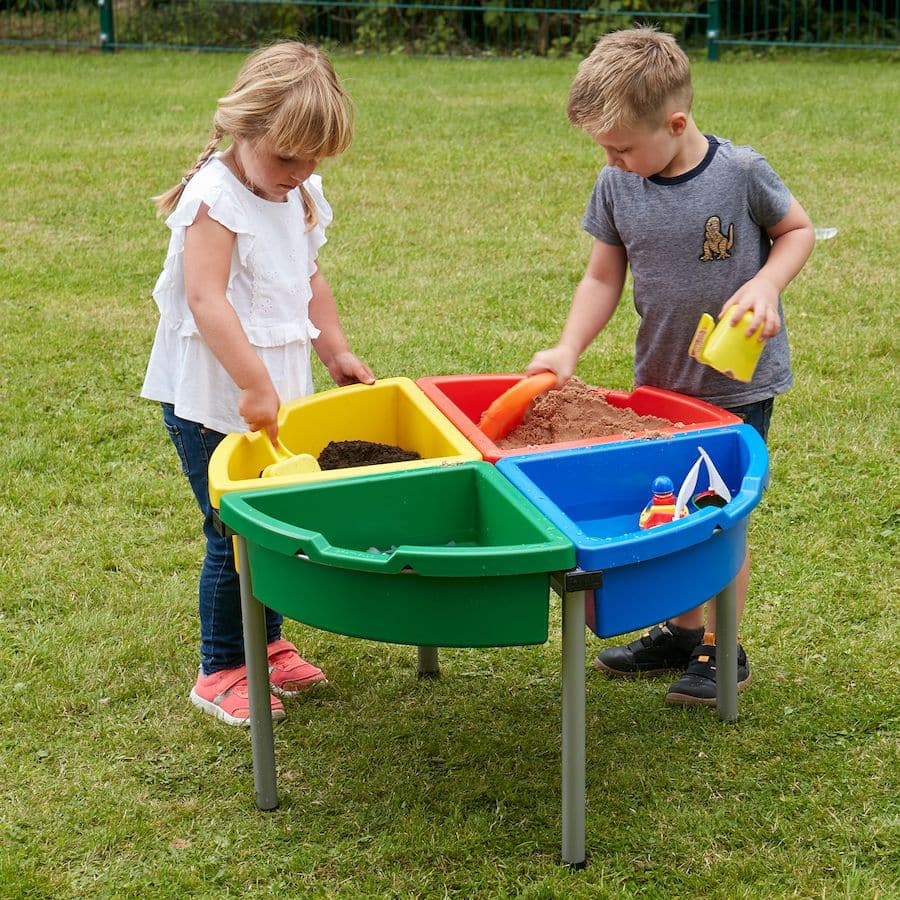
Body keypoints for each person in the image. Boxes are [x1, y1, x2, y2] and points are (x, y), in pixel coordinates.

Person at [527, 27, 815, 706]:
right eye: (604, 148)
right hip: (660, 384)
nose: (612, 159)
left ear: (676, 123)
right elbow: (602, 277)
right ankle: (683, 633)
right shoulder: (616, 184)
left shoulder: (741, 173)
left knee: (716, 515)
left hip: (736, 387)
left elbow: (796, 231)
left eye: (622, 147)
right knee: (665, 507)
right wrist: (567, 348)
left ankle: (723, 647)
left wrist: (768, 284)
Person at [141, 42, 375, 725]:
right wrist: (250, 383)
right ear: (245, 130)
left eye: (312, 162)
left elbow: (309, 279)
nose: (298, 174)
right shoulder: (213, 198)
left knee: (270, 525)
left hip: (271, 395)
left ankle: (265, 647)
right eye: (286, 160)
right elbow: (207, 300)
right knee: (232, 532)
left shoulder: (297, 187)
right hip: (213, 399)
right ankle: (221, 667)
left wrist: (335, 351)